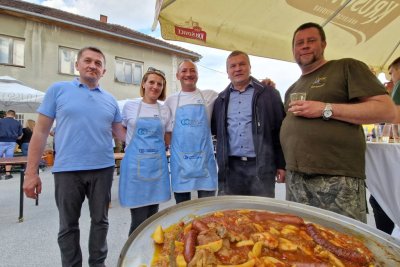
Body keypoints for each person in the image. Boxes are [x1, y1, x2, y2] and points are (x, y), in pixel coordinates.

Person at [280, 22, 396, 223]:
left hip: (336, 178)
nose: (305, 46)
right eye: (299, 43)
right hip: (296, 178)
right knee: (300, 242)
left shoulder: (346, 67)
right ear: (293, 50)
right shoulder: (292, 88)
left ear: (323, 44)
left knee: (343, 243)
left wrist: (325, 108)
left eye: (311, 40)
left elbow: (386, 110)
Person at [23, 46, 125, 267]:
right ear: (77, 65)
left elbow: (123, 134)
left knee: (101, 222)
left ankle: (97, 264)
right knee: (68, 226)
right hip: (67, 170)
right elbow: (40, 132)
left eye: (98, 63)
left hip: (103, 169)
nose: (92, 66)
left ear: (104, 71)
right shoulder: (58, 90)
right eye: (87, 61)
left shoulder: (110, 100)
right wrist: (31, 173)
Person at [211, 51, 286, 197]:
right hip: (231, 169)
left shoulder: (269, 94)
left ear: (250, 67)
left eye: (242, 64)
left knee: (262, 213)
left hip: (261, 166)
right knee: (231, 213)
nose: (238, 69)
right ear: (227, 72)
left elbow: (280, 131)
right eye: (233, 66)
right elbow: (217, 131)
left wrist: (282, 165)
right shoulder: (220, 99)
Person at [119, 67, 172, 236]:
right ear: (143, 84)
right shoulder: (130, 106)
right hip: (135, 168)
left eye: (159, 84)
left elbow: (168, 137)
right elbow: (122, 130)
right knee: (138, 220)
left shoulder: (164, 110)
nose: (155, 87)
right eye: (151, 82)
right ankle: (132, 259)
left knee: (153, 217)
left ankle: (150, 257)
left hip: (156, 167)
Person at [164, 59, 218, 204]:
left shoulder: (210, 96)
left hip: (204, 163)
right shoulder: (170, 101)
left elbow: (234, 94)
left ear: (198, 75)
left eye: (192, 70)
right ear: (177, 75)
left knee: (208, 211)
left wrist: (264, 86)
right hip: (181, 165)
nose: (189, 74)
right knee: (182, 210)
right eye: (184, 71)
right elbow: (166, 132)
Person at [0, 110, 23, 179]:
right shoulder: (18, 122)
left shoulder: (1, 121)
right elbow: (20, 136)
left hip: (1, 141)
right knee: (9, 158)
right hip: (12, 142)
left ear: (6, 114)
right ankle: (8, 174)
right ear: (14, 115)